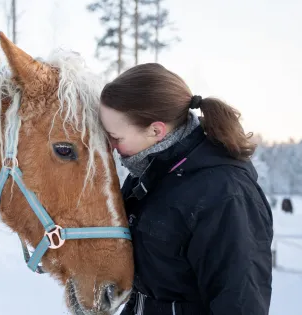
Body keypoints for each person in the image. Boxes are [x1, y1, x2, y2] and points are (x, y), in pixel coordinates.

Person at [97, 63, 273, 315]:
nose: (111, 146)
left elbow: (241, 302)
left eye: (116, 137)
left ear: (156, 130)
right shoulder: (150, 173)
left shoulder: (226, 194)